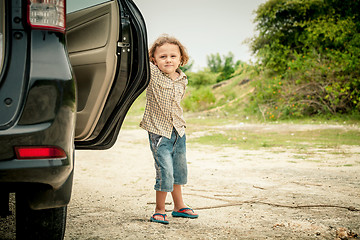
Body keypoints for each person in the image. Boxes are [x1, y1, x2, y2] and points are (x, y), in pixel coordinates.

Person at [140, 34, 198, 224]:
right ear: (154, 60)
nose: (168, 60)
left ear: (181, 59)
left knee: (179, 170)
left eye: (173, 56)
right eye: (162, 56)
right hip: (159, 131)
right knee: (165, 171)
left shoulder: (183, 79)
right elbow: (141, 60)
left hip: (178, 131)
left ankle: (179, 206)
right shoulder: (153, 75)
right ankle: (159, 209)